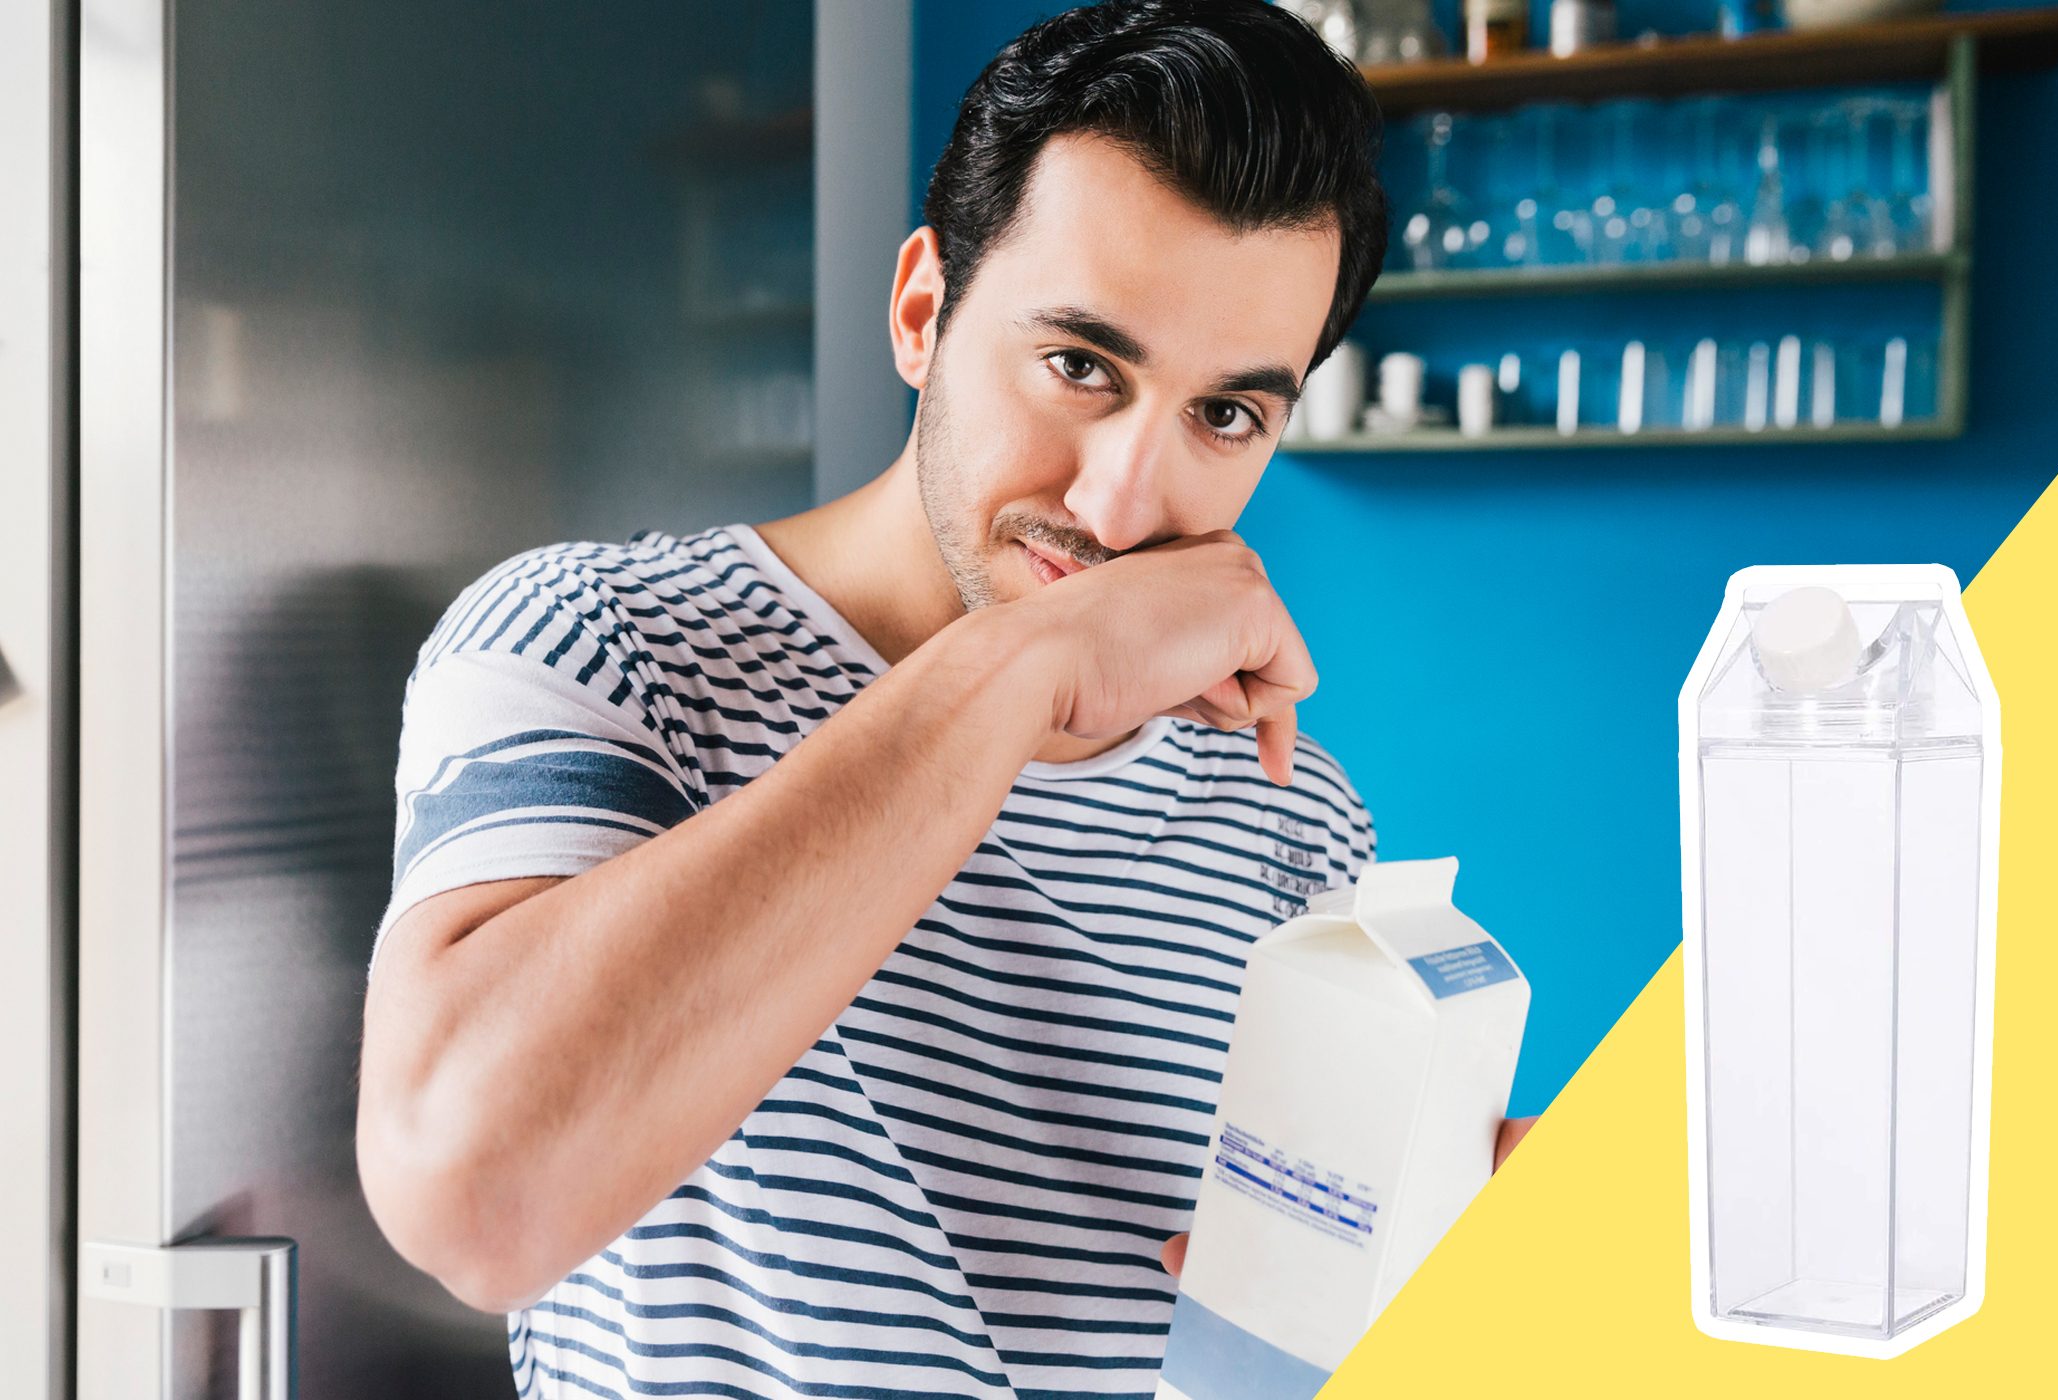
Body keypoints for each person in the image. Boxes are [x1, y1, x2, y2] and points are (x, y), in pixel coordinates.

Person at [357, 2, 1527, 1394]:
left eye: (1226, 416)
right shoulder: (603, 641)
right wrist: (1029, 666)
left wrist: (1435, 1292)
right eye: (1081, 366)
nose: (1121, 503)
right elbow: (473, 1198)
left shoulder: (1291, 808)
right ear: (923, 313)